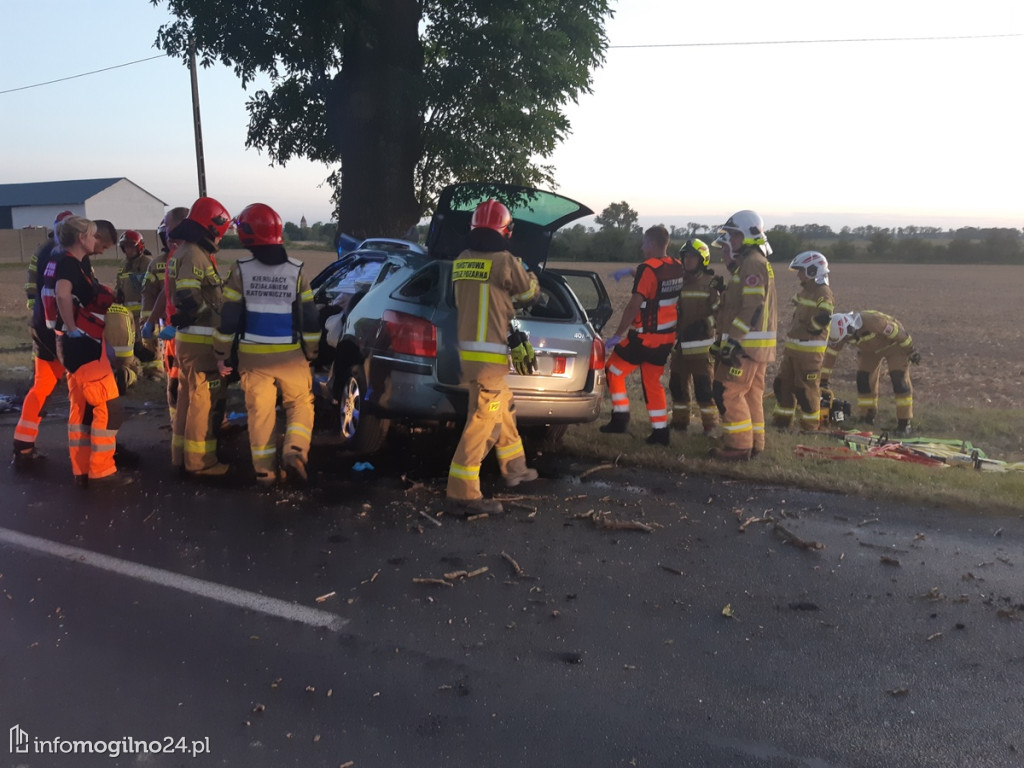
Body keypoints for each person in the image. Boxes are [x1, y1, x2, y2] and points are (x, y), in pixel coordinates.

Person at [214, 203, 320, 487]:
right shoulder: (298, 271)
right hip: (290, 354)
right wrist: (311, 352)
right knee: (299, 403)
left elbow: (229, 317)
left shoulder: (240, 271)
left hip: (252, 356)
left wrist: (223, 354)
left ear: (247, 237)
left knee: (259, 413)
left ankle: (265, 473)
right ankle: (295, 450)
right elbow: (309, 318)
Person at [446, 199, 541, 515]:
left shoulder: (461, 259)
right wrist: (532, 272)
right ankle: (463, 494)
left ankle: (515, 467)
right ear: (506, 230)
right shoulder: (505, 261)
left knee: (502, 407)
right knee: (484, 422)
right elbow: (528, 294)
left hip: (470, 356)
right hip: (489, 358)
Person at [52, 217, 131, 487]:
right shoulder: (69, 264)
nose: (95, 238)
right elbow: (63, 294)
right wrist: (73, 327)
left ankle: (83, 469)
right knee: (109, 409)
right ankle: (103, 471)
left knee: (83, 410)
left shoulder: (68, 262)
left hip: (74, 345)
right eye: (92, 234)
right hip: (82, 344)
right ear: (81, 237)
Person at [599, 224, 685, 445]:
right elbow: (659, 280)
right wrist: (630, 272)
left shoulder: (647, 268)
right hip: (665, 339)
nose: (641, 246)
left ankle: (620, 418)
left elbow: (634, 305)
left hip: (644, 338)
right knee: (652, 381)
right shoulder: (676, 265)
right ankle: (660, 432)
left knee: (613, 369)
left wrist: (617, 335)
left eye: (644, 242)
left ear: (653, 244)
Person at [168, 197, 232, 477]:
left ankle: (180, 456)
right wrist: (213, 312)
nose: (220, 237)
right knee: (203, 402)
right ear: (211, 226)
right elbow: (188, 296)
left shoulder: (185, 251)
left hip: (189, 340)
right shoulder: (194, 254)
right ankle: (200, 462)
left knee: (186, 399)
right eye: (220, 231)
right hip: (202, 342)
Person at [709, 210, 777, 461]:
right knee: (751, 394)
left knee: (727, 391)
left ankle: (738, 446)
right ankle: (755, 443)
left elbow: (752, 306)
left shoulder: (752, 263)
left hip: (746, 346)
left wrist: (734, 341)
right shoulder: (756, 262)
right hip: (754, 346)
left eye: (734, 235)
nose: (732, 241)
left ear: (748, 235)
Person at [12, 211, 73, 466]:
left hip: (41, 325)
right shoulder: (66, 255)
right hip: (61, 331)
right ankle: (97, 452)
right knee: (85, 388)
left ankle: (23, 445)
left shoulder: (44, 249)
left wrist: (34, 305)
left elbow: (34, 283)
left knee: (41, 386)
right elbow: (67, 294)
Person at [823, 311, 919, 436]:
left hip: (894, 346)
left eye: (848, 337)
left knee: (899, 381)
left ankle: (904, 424)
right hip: (870, 350)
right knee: (864, 379)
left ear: (851, 327)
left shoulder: (874, 322)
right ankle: (866, 417)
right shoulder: (840, 334)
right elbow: (830, 357)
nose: (847, 340)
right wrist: (823, 380)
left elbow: (900, 335)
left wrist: (911, 351)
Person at [771, 251, 834, 431]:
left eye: (801, 271)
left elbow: (825, 316)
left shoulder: (823, 292)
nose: (798, 275)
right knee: (783, 385)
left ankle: (809, 427)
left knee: (806, 391)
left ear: (814, 270)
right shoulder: (805, 291)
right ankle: (782, 423)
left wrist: (813, 326)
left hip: (809, 352)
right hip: (792, 350)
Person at [667, 238, 722, 434]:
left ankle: (710, 426)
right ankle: (680, 423)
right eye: (685, 256)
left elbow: (720, 314)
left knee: (704, 390)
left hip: (701, 348)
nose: (688, 260)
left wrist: (703, 324)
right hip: (680, 348)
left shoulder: (711, 284)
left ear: (702, 260)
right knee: (677, 387)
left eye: (692, 257)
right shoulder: (678, 283)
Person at [141, 207, 190, 421]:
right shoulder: (168, 260)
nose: (168, 237)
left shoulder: (191, 257)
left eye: (170, 230)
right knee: (174, 382)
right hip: (173, 334)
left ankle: (195, 426)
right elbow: (163, 292)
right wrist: (150, 322)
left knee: (197, 384)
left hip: (191, 332)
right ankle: (177, 422)